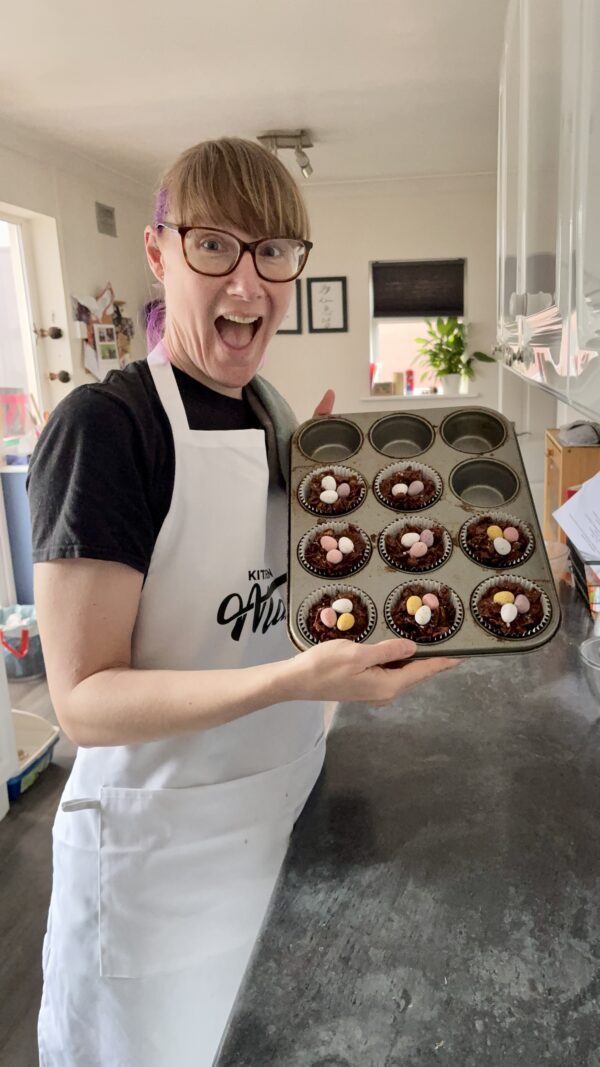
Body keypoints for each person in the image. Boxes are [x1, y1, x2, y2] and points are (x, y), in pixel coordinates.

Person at [28, 137, 459, 1067]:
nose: (249, 280)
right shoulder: (108, 429)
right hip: (156, 865)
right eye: (214, 246)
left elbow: (277, 596)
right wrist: (293, 678)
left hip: (278, 827)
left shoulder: (274, 412)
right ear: (158, 254)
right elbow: (83, 702)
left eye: (274, 252)